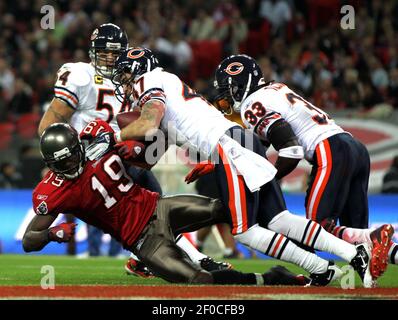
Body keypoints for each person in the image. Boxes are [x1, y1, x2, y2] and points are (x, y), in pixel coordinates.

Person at [87, 47, 388, 287]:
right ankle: (334, 263)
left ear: (138, 71)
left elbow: (149, 121)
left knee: (244, 231)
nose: (124, 82)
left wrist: (111, 133)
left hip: (229, 146)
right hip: (236, 143)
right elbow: (153, 149)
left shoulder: (148, 81)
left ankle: (336, 261)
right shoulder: (168, 84)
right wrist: (121, 148)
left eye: (126, 75)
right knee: (280, 219)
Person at [37, 23, 227, 276]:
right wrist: (63, 156)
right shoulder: (79, 75)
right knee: (150, 210)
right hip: (91, 159)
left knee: (153, 206)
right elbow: (49, 124)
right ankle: (195, 259)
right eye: (104, 51)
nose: (110, 57)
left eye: (116, 52)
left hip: (121, 150)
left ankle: (150, 259)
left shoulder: (131, 76)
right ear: (93, 51)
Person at [22, 122, 308, 287]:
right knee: (200, 282)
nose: (69, 166)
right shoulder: (53, 191)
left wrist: (136, 148)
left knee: (226, 208)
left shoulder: (98, 143)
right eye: (61, 164)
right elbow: (28, 240)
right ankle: (268, 277)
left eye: (71, 157)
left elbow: (152, 144)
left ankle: (291, 231)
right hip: (143, 242)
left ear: (77, 148)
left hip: (160, 208)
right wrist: (50, 234)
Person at [211, 53, 395, 275]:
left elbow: (292, 151)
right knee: (357, 236)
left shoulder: (252, 105)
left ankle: (321, 272)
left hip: (331, 150)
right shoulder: (275, 89)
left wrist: (265, 181)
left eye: (227, 87)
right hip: (354, 148)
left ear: (241, 84)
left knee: (316, 230)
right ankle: (380, 247)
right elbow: (257, 151)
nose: (225, 96)